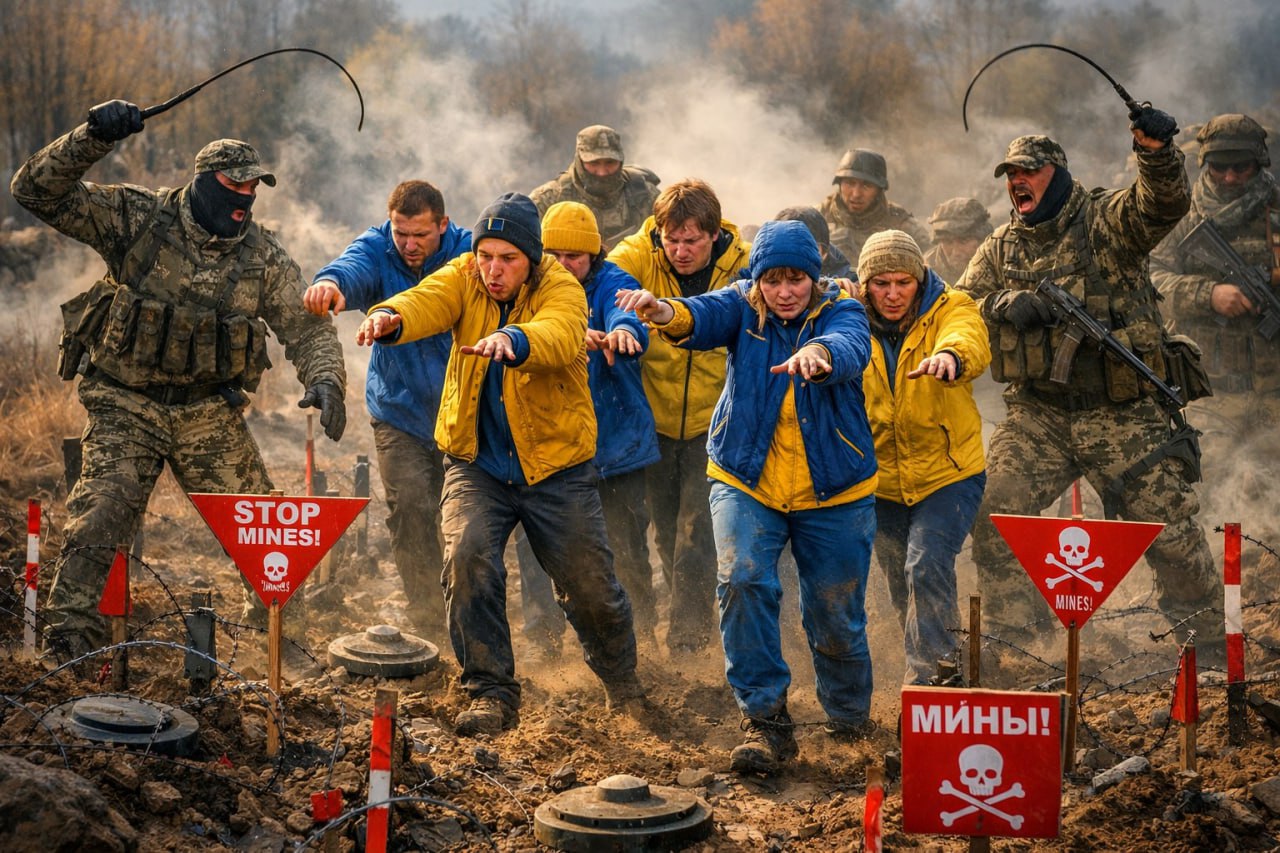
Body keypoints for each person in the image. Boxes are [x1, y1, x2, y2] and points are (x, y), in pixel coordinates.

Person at [10, 99, 346, 654]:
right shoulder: (138, 217)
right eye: (233, 187)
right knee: (100, 516)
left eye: (253, 189)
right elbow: (35, 192)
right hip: (126, 402)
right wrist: (93, 136)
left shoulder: (263, 257)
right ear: (204, 181)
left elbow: (308, 330)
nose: (244, 199)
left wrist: (327, 378)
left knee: (261, 528)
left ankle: (285, 649)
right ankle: (68, 646)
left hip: (208, 412)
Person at [355, 193, 644, 735]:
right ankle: (490, 690)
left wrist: (514, 338)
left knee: (589, 586)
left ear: (531, 259)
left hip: (555, 467)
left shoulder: (560, 286)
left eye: (507, 259)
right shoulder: (463, 274)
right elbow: (426, 299)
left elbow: (560, 333)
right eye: (486, 255)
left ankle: (622, 681)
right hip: (476, 462)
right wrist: (390, 316)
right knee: (467, 557)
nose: (492, 269)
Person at [955, 112, 1225, 655]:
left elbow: (1163, 204)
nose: (1017, 181)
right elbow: (956, 307)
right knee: (993, 511)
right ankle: (1022, 643)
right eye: (1010, 174)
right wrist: (999, 303)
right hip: (1040, 414)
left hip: (1123, 411)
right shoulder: (1002, 246)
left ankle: (1208, 643)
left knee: (1170, 529)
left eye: (1028, 171)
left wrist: (1155, 153)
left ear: (1056, 174)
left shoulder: (1106, 221)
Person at [618, 219, 878, 774]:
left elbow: (852, 346)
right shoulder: (742, 305)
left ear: (813, 278)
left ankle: (850, 721)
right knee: (742, 579)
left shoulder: (842, 310)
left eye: (795, 280)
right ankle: (765, 721)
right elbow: (700, 314)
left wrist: (820, 355)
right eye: (772, 281)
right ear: (757, 281)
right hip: (746, 476)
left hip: (836, 487)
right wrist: (662, 311)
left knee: (834, 610)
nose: (784, 292)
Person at [304, 181, 470, 638]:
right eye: (401, 234)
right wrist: (330, 284)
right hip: (398, 410)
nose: (409, 245)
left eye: (421, 235)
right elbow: (351, 266)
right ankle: (429, 622)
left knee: (465, 522)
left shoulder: (469, 253)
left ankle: (469, 613)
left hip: (464, 413)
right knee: (411, 509)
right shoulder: (378, 247)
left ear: (443, 225)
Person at [608, 178, 751, 654]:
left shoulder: (743, 263)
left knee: (697, 532)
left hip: (715, 422)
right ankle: (669, 623)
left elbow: (793, 280)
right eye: (672, 240)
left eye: (692, 241)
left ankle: (689, 641)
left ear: (714, 234)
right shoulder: (637, 255)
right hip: (652, 419)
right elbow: (600, 278)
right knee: (665, 532)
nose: (680, 251)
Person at [515, 203, 661, 649]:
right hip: (546, 444)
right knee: (537, 546)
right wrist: (571, 338)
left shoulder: (612, 281)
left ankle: (641, 638)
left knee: (626, 548)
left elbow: (626, 310)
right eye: (554, 255)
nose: (563, 265)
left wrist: (625, 331)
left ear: (594, 254)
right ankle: (544, 641)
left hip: (615, 444)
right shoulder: (525, 287)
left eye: (574, 257)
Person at [856, 230, 990, 685]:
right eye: (881, 283)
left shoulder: (951, 306)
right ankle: (944, 658)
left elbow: (968, 337)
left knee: (926, 562)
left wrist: (951, 356)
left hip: (948, 474)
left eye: (903, 282)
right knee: (902, 579)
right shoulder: (848, 318)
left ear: (920, 279)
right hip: (881, 480)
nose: (893, 294)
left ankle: (934, 680)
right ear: (866, 285)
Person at [1151, 114, 1280, 565]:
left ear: (1259, 163)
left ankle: (1264, 576)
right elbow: (1150, 278)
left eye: (1241, 167)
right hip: (1210, 388)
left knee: (1270, 492)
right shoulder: (1182, 215)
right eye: (1219, 167)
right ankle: (1209, 579)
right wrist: (1208, 294)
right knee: (1204, 489)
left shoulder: (1276, 212)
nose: (1229, 177)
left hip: (1273, 388)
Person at [530, 125, 661, 250]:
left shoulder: (646, 196)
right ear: (579, 160)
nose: (602, 172)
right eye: (594, 163)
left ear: (620, 161)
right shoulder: (548, 200)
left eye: (610, 162)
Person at [818, 148, 931, 265]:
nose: (856, 194)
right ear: (839, 184)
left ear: (879, 190)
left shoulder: (901, 224)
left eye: (866, 185)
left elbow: (930, 266)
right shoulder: (818, 217)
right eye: (850, 183)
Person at [924, 197, 993, 285]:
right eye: (948, 242)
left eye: (963, 241)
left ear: (982, 240)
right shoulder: (927, 271)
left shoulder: (998, 259)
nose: (956, 252)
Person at [775, 205, 853, 278]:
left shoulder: (848, 284)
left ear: (824, 253)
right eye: (788, 251)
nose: (797, 260)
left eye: (806, 251)